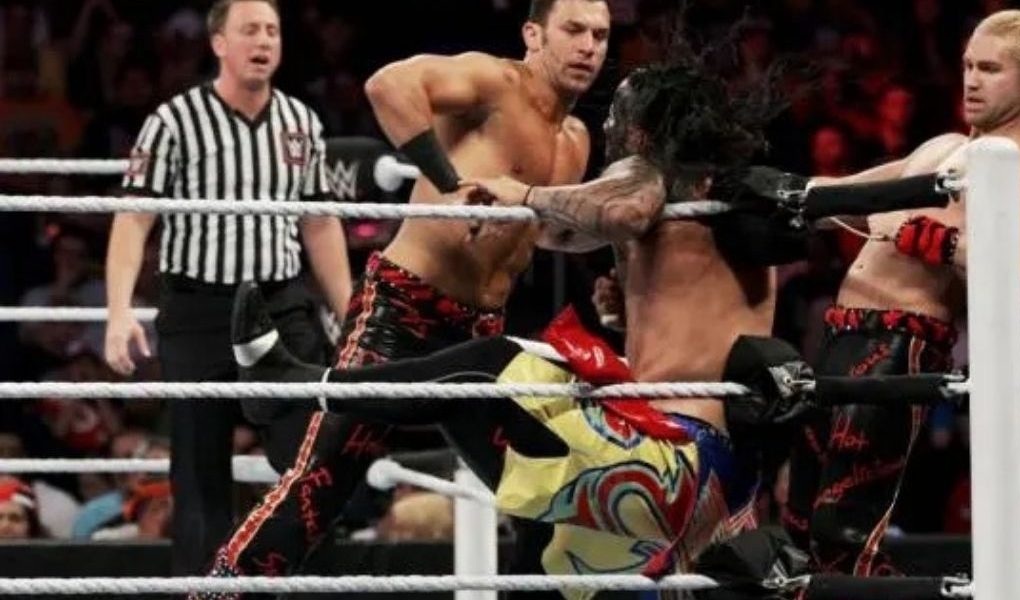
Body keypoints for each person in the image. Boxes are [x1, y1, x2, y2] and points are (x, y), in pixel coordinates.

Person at [225, 58, 814, 594]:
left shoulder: (649, 173)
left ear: (644, 131)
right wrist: (514, 215)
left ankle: (301, 384)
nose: (607, 125)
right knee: (529, 530)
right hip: (704, 476)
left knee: (492, 365)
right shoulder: (707, 207)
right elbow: (582, 233)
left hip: (673, 460)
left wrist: (524, 193)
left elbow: (621, 207)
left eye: (619, 114)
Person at [203, 0, 611, 585]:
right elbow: (388, 85)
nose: (588, 46)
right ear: (533, 34)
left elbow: (547, 233)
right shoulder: (495, 82)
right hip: (404, 310)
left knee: (545, 494)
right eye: (573, 29)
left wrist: (609, 263)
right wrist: (450, 184)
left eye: (600, 34)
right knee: (320, 486)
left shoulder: (575, 139)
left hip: (480, 336)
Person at [780, 0, 1020, 576]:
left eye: (990, 69)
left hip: (898, 346)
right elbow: (849, 196)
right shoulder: (943, 147)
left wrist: (946, 243)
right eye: (968, 66)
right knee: (799, 522)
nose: (971, 80)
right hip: (840, 336)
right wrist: (779, 194)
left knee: (841, 530)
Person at [103, 0, 352, 575]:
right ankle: (204, 591)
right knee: (199, 471)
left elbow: (319, 222)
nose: (263, 41)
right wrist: (119, 310)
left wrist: (349, 311)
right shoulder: (174, 120)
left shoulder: (301, 121)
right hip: (198, 309)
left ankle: (309, 584)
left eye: (272, 31)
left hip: (279, 307)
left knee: (310, 455)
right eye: (250, 30)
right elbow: (133, 216)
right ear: (218, 43)